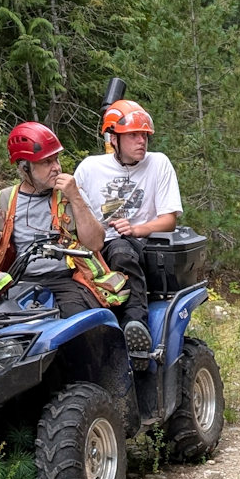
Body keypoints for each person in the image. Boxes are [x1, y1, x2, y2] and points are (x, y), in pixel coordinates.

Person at [0, 122, 134, 328]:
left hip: (66, 279)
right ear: (24, 167)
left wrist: (76, 198)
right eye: (46, 162)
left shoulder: (70, 194)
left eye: (56, 160)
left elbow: (96, 242)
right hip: (17, 280)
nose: (56, 168)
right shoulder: (3, 200)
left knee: (81, 325)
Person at [74, 99, 183, 346]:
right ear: (114, 139)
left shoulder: (158, 163)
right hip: (94, 247)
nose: (141, 141)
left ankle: (136, 326)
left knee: (122, 249)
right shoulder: (90, 168)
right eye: (133, 135)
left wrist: (137, 229)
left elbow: (169, 220)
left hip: (138, 245)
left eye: (144, 135)